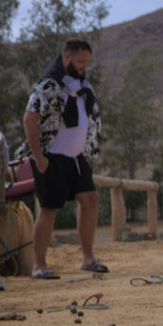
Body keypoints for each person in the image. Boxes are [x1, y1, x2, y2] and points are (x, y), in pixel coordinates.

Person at [16, 39, 107, 279]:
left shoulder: (83, 84)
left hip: (76, 157)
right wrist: (39, 157)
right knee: (49, 209)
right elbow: (29, 120)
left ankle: (88, 258)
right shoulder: (48, 85)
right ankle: (39, 265)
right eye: (79, 61)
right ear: (66, 57)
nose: (83, 66)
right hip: (51, 157)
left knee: (90, 198)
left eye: (87, 62)